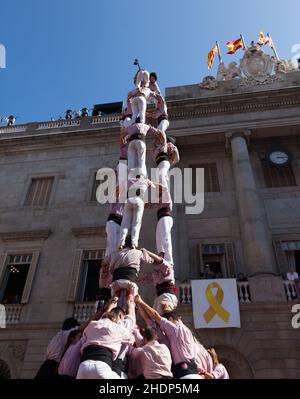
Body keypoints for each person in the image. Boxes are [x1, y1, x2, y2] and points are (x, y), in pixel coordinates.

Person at [134, 296, 202, 379]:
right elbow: (148, 318)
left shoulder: (175, 329)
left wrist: (140, 301)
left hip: (184, 373)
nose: (163, 327)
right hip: (194, 372)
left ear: (170, 319)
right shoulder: (186, 332)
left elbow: (155, 316)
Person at [76, 295, 135, 379]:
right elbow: (131, 325)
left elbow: (83, 340)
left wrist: (113, 300)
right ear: (119, 317)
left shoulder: (92, 324)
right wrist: (130, 303)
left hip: (83, 367)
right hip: (101, 366)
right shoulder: (117, 328)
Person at [118, 175, 157, 248]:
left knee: (125, 224)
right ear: (141, 177)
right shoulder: (146, 180)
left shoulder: (128, 180)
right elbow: (155, 187)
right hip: (139, 200)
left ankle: (121, 243)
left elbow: (120, 191)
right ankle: (134, 243)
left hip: (128, 200)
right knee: (136, 223)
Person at [138, 249, 178, 314]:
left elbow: (160, 261)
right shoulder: (156, 274)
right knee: (154, 319)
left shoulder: (167, 267)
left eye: (159, 256)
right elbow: (142, 279)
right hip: (160, 296)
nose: (156, 258)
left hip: (167, 296)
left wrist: (147, 252)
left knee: (163, 318)